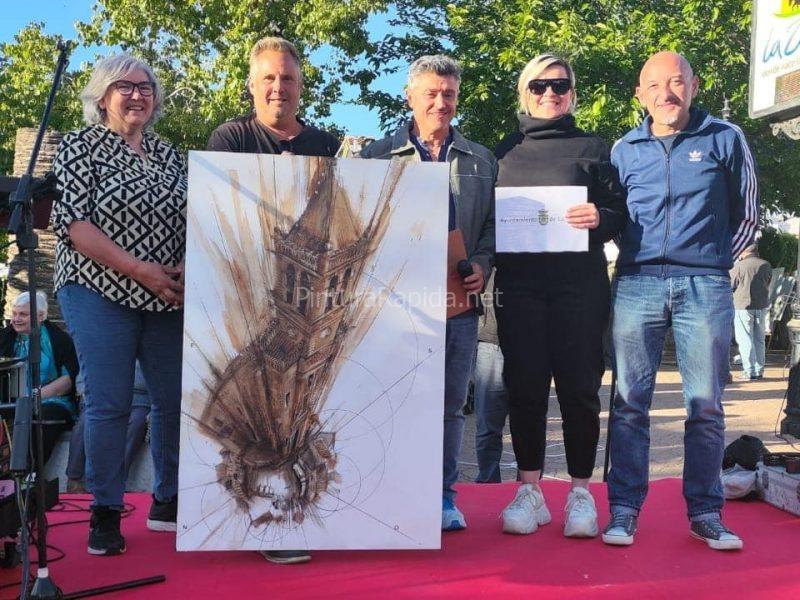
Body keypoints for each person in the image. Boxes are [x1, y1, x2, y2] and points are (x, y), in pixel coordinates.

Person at [604, 51, 758, 550]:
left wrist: (713, 262)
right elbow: (617, 218)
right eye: (654, 85)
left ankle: (706, 513)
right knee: (629, 404)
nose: (665, 93)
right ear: (639, 94)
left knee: (705, 406)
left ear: (694, 85)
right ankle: (624, 510)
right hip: (637, 282)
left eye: (675, 82)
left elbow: (748, 214)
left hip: (705, 285)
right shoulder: (623, 149)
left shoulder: (725, 137)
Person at [206, 36, 339, 566]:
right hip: (243, 276)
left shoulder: (324, 144)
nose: (278, 87)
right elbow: (218, 204)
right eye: (269, 78)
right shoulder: (232, 137)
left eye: (287, 78)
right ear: (252, 85)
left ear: (301, 86)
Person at [53, 54, 187, 556]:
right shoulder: (79, 146)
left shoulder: (172, 155)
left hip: (166, 294)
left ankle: (168, 500)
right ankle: (105, 511)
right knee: (110, 401)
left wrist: (185, 265)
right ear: (103, 96)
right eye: (124, 86)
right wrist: (139, 269)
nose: (137, 95)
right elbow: (73, 224)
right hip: (97, 288)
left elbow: (199, 217)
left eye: (145, 87)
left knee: (174, 400)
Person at [359, 55, 496, 532]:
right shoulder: (376, 157)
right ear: (410, 97)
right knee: (389, 401)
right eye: (432, 93)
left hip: (457, 302)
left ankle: (442, 497)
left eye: (449, 94)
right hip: (394, 307)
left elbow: (492, 228)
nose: (441, 102)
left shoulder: (482, 160)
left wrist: (482, 265)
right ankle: (388, 494)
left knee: (449, 407)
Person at [493, 54, 627, 538]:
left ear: (572, 93)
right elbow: (486, 222)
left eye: (560, 85)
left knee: (580, 391)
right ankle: (529, 491)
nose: (550, 93)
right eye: (539, 85)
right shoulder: (502, 152)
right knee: (525, 389)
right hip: (520, 289)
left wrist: (601, 217)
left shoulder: (595, 147)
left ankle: (580, 493)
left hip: (580, 288)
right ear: (524, 92)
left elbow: (620, 212)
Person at [0, 291, 79, 466]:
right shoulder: (5, 337)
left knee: (41, 418)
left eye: (23, 314)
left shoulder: (59, 339)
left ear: (41, 316)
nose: (16, 319)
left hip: (51, 400)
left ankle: (30, 472)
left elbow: (67, 381)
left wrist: (32, 398)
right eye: (14, 313)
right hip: (12, 400)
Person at [66, 361, 151, 493]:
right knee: (86, 419)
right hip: (102, 396)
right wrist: (84, 392)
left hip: (139, 399)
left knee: (137, 422)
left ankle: (113, 481)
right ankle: (74, 479)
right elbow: (84, 371)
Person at [473, 271, 510, 484]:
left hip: (531, 342)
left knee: (530, 424)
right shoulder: (487, 253)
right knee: (487, 426)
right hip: (490, 341)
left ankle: (530, 488)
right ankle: (488, 485)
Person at [730, 244, 772, 381]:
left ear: (744, 251)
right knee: (759, 339)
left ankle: (749, 371)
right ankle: (759, 370)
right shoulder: (766, 265)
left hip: (743, 305)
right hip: (761, 306)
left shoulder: (739, 266)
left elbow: (731, 285)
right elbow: (768, 282)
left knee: (745, 339)